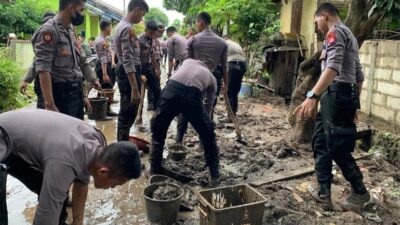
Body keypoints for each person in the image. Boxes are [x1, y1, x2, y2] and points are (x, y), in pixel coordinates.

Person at [0, 109, 142, 225]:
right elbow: (44, 220)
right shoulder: (64, 162)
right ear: (103, 172)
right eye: (114, 185)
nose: (111, 188)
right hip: (3, 137)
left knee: (54, 191)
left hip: (22, 135)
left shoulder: (96, 144)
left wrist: (77, 222)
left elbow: (82, 181)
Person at [294, 3, 369, 211]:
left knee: (337, 146)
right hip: (341, 95)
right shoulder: (350, 35)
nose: (317, 27)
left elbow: (333, 68)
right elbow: (358, 75)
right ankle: (323, 194)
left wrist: (312, 95)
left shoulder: (334, 34)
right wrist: (354, 102)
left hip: (336, 94)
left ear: (325, 16)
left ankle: (360, 192)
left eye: (317, 21)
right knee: (320, 141)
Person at [149, 59, 220, 186]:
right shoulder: (212, 78)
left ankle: (154, 171)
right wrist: (204, 125)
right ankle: (214, 176)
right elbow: (208, 106)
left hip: (170, 91)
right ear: (212, 68)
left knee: (158, 133)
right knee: (209, 136)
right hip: (192, 96)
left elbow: (175, 76)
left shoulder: (187, 62)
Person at [176, 12, 228, 144]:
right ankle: (204, 141)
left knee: (185, 107)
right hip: (212, 78)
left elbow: (187, 63)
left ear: (200, 22)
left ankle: (179, 140)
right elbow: (224, 67)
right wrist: (226, 85)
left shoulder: (193, 40)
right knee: (208, 108)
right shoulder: (222, 43)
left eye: (196, 23)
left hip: (193, 78)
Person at [32, 0, 87, 120]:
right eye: (81, 10)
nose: (82, 14)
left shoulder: (68, 31)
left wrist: (82, 97)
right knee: (60, 138)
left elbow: (74, 68)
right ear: (71, 8)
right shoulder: (49, 31)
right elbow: (43, 68)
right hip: (60, 97)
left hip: (74, 94)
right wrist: (49, 104)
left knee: (74, 135)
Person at [113, 0, 148, 141]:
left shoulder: (123, 27)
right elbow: (127, 58)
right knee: (128, 111)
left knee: (128, 110)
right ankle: (121, 148)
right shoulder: (127, 29)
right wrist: (134, 87)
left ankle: (124, 143)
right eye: (142, 14)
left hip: (129, 71)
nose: (142, 18)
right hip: (127, 73)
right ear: (137, 10)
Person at [20, 12, 57, 109]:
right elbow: (37, 60)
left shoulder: (61, 34)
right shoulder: (45, 34)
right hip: (45, 81)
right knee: (45, 108)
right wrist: (26, 80)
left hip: (56, 83)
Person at [221, 35, 247, 123]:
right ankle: (232, 113)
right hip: (241, 65)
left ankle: (230, 116)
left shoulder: (223, 43)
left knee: (229, 91)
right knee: (234, 92)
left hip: (233, 65)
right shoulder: (234, 44)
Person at [95, 20, 118, 116]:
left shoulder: (103, 39)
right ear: (107, 28)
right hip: (103, 66)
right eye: (110, 27)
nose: (111, 29)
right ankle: (105, 111)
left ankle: (105, 110)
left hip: (106, 65)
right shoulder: (101, 41)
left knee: (107, 88)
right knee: (106, 88)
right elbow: (103, 58)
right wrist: (105, 73)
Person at [138, 20, 161, 111]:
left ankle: (156, 108)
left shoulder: (152, 40)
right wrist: (139, 74)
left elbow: (152, 55)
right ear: (145, 30)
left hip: (148, 66)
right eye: (151, 33)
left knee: (157, 87)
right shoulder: (139, 40)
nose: (152, 36)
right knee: (138, 91)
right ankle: (138, 112)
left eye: (154, 34)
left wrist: (157, 69)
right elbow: (135, 57)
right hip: (138, 66)